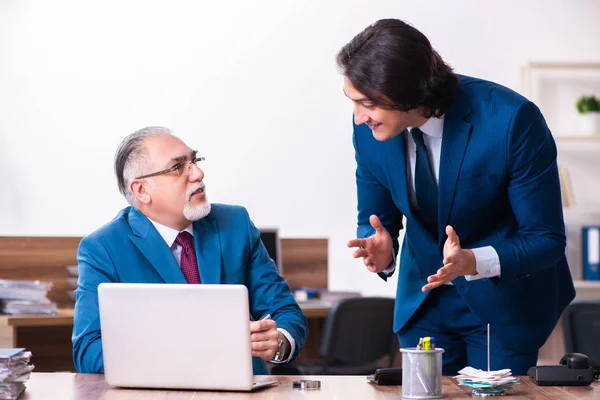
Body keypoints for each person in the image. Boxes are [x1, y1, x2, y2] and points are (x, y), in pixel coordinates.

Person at [339, 19, 575, 375]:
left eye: (367, 103)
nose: (358, 117)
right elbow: (376, 220)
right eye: (353, 102)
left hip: (501, 304)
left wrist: (473, 261)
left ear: (406, 92)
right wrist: (381, 250)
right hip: (423, 304)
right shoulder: (370, 133)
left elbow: (546, 239)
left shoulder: (512, 120)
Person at [72, 126, 307, 374]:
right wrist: (180, 360)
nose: (197, 173)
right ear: (142, 190)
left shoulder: (235, 224)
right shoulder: (103, 248)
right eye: (177, 167)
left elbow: (286, 312)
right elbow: (88, 350)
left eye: (194, 160)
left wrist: (277, 343)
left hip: (242, 390)